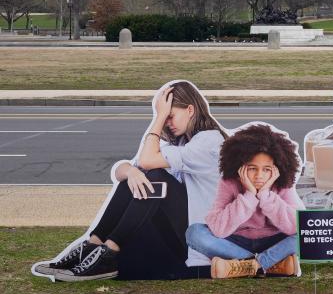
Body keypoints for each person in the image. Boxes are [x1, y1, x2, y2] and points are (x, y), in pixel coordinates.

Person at [34, 81, 227, 281]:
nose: (167, 123)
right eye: (165, 118)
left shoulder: (209, 141)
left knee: (155, 178)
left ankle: (108, 255)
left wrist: (159, 117)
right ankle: (92, 246)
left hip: (199, 237)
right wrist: (132, 172)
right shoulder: (180, 142)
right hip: (180, 230)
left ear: (190, 110)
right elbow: (122, 171)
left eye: (170, 116)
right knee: (135, 177)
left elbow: (146, 161)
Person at [186, 122, 304, 279]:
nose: (259, 176)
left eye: (266, 169)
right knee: (195, 233)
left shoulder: (282, 183)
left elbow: (294, 227)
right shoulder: (229, 182)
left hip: (274, 241)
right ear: (240, 167)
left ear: (276, 170)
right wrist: (249, 196)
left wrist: (266, 195)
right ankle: (271, 265)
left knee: (306, 231)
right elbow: (218, 229)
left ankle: (251, 266)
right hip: (236, 242)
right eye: (252, 168)